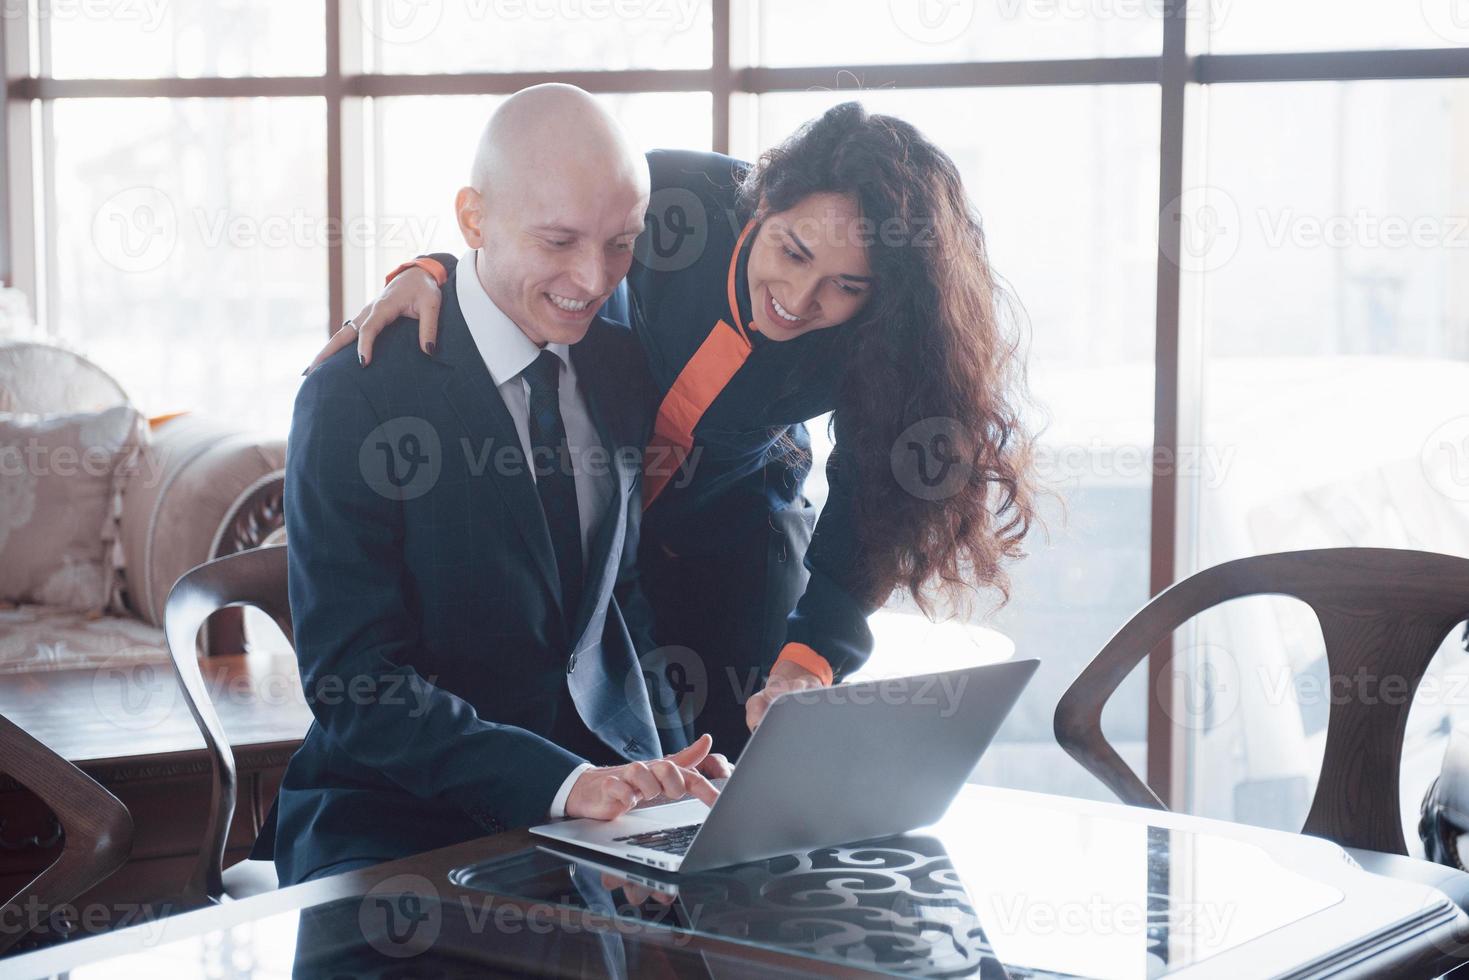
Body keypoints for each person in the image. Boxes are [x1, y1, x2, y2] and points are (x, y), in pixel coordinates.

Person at [308, 101, 1038, 758]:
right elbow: (535, 250)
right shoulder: (673, 199)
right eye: (792, 252)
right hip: (595, 537)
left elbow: (871, 501)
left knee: (725, 782)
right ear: (763, 203)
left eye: (845, 286)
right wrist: (430, 270)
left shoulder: (883, 335)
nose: (797, 299)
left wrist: (812, 654)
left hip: (733, 547)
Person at [259, 84, 729, 886]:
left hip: (603, 801)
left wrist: (661, 764)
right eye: (558, 242)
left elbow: (616, 598)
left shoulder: (621, 360)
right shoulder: (358, 393)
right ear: (473, 219)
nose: (593, 278)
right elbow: (356, 684)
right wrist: (559, 783)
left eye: (621, 244)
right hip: (393, 818)